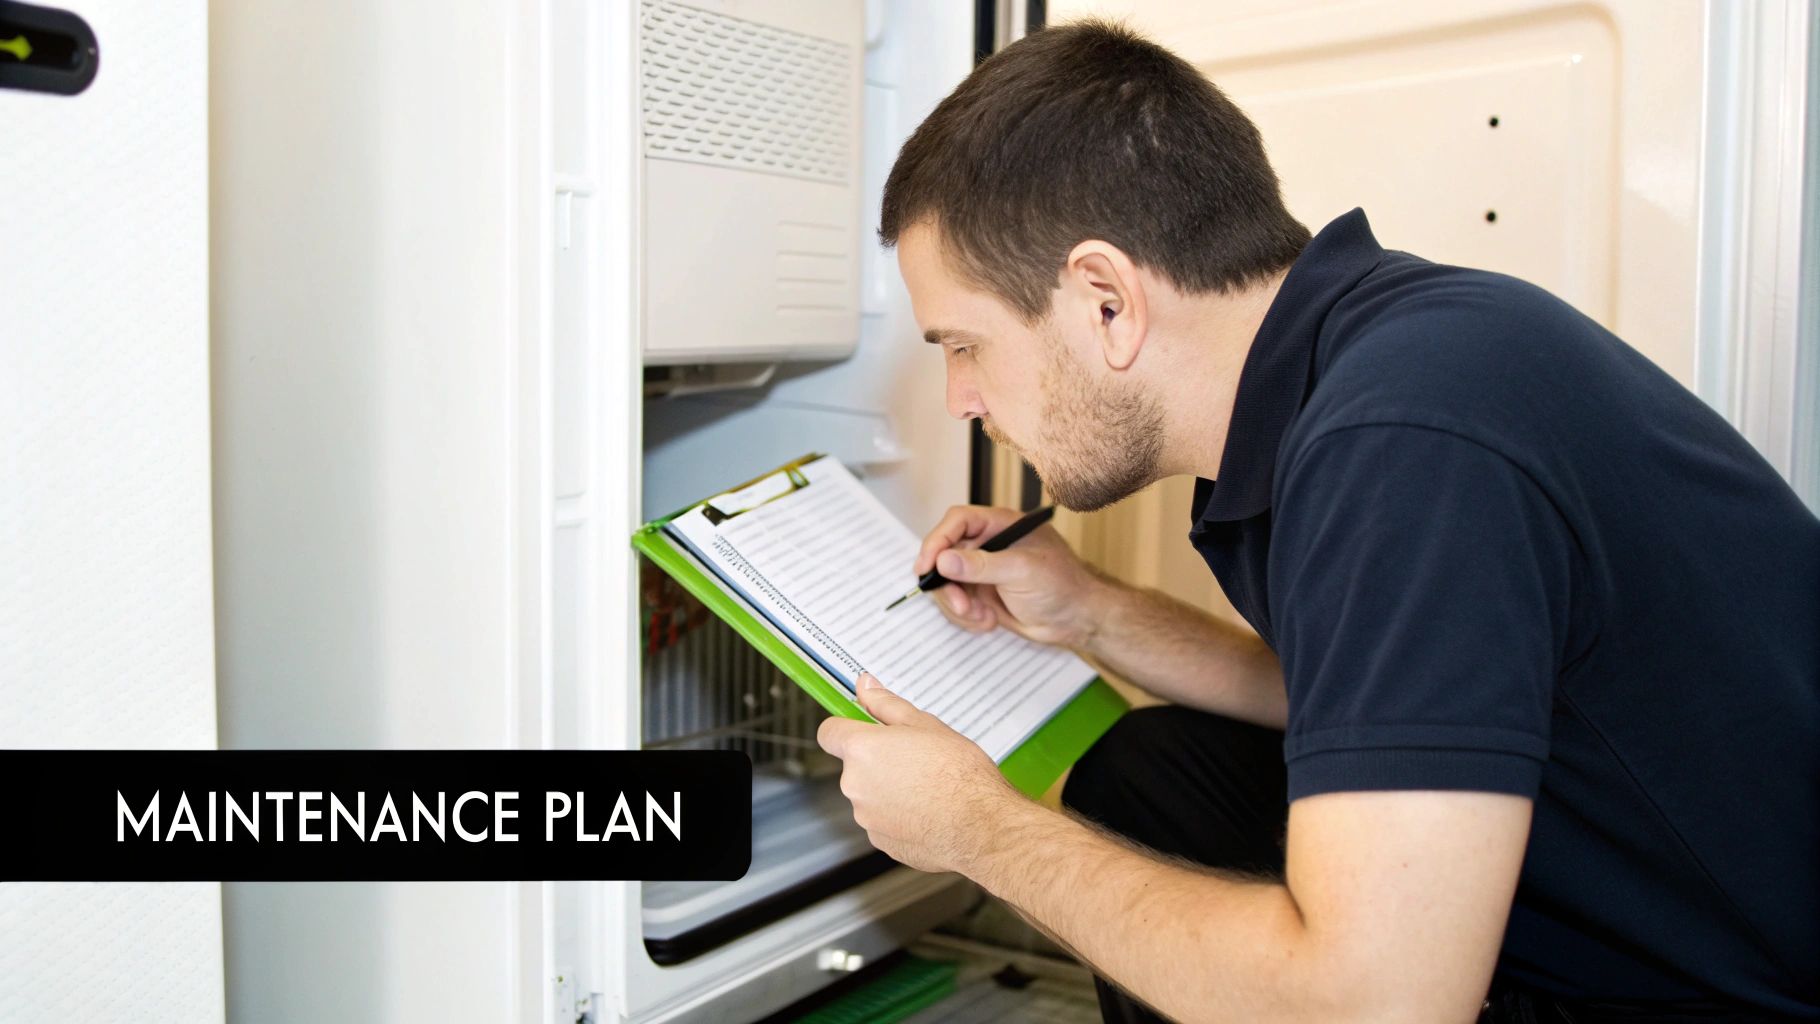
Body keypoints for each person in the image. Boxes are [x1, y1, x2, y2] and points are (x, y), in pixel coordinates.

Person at [813, 19, 1820, 1023]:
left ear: (1105, 300)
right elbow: (1369, 701)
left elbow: (1375, 1007)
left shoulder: (1403, 439)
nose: (957, 398)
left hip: (1718, 993)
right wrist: (1091, 611)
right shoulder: (1355, 366)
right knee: (1152, 776)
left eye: (963, 344)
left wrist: (979, 830)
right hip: (1577, 893)